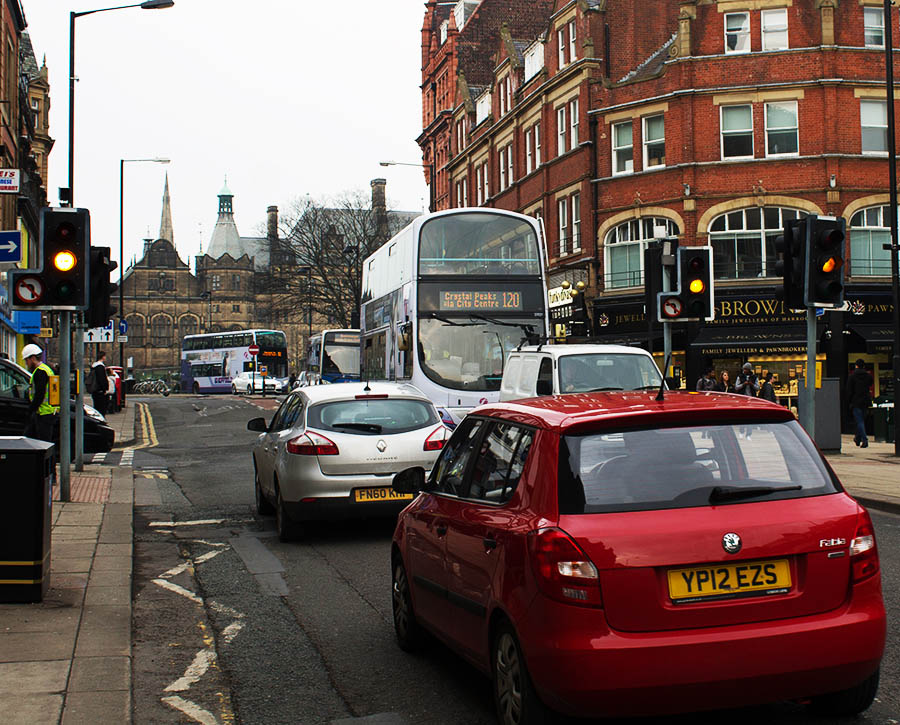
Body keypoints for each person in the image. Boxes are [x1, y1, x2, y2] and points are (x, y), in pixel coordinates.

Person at [21, 343, 58, 443]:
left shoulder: (40, 372)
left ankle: (44, 459)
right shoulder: (46, 369)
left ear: (32, 358)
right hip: (47, 411)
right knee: (33, 439)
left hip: (43, 412)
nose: (26, 363)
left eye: (26, 360)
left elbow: (39, 394)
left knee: (43, 443)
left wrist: (31, 409)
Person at [847, 359, 872, 448]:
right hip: (865, 401)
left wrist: (849, 401)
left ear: (856, 366)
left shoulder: (852, 377)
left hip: (856, 401)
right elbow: (870, 384)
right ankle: (857, 438)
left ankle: (864, 440)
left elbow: (849, 391)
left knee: (859, 421)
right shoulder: (868, 376)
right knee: (861, 421)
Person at [89, 351, 108, 415]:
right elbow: (102, 379)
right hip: (99, 391)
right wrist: (104, 389)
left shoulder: (94, 366)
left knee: (96, 407)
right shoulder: (100, 367)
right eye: (105, 356)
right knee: (101, 408)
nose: (105, 357)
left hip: (95, 390)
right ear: (102, 357)